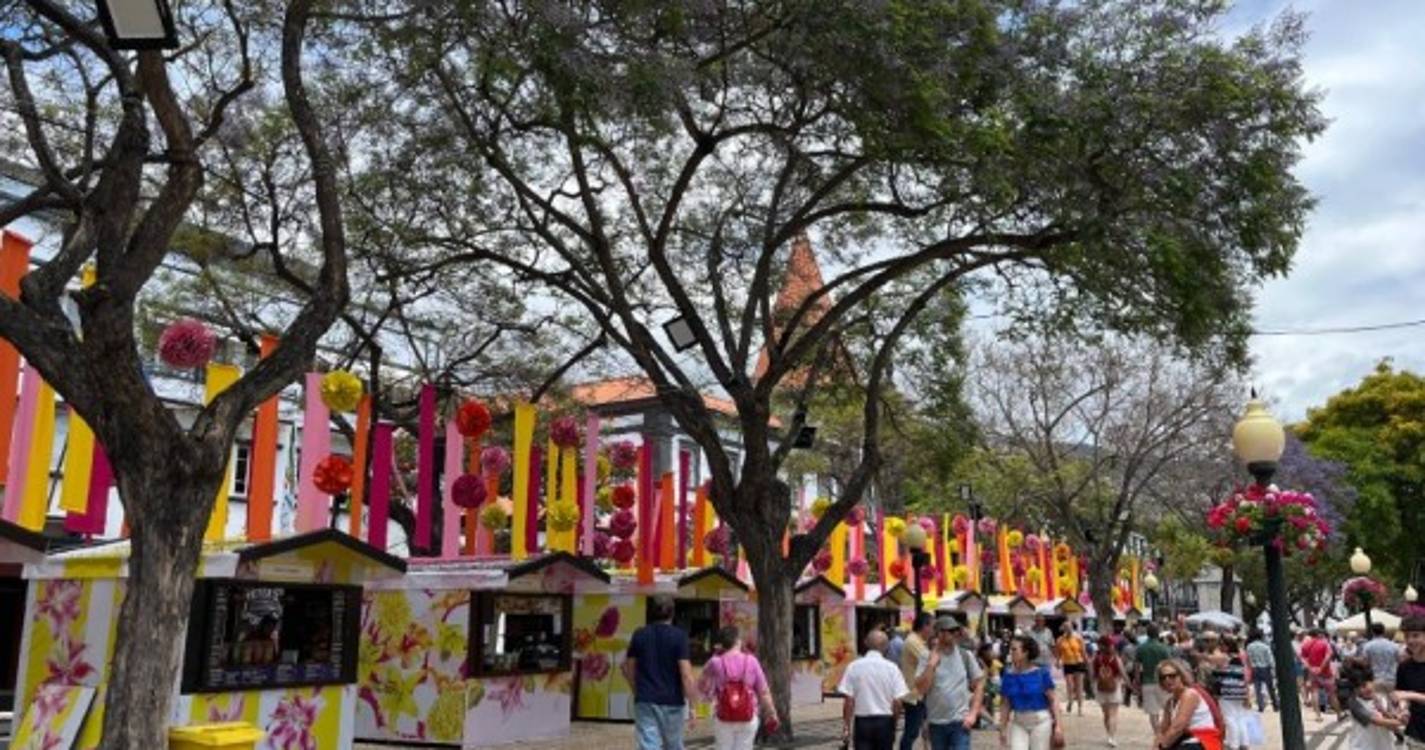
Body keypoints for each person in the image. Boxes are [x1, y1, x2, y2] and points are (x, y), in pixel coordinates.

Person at [624, 594, 699, 750]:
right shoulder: (680, 637)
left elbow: (628, 667)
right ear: (672, 612)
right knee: (673, 745)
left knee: (648, 745)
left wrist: (636, 689)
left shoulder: (639, 634)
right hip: (673, 700)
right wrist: (692, 707)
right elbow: (686, 674)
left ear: (652, 612)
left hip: (646, 699)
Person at [698, 626, 778, 750]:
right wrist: (771, 712)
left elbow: (701, 685)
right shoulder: (751, 661)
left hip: (723, 717)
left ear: (722, 643)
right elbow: (764, 691)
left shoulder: (715, 662)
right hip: (748, 716)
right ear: (737, 641)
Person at [914, 617, 985, 750]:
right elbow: (921, 689)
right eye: (950, 631)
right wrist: (931, 666)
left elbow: (979, 684)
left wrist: (973, 714)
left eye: (956, 630)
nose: (955, 634)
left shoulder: (966, 655)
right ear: (939, 633)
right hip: (936, 723)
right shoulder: (927, 656)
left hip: (960, 722)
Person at [840, 628, 912, 750]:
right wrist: (894, 722)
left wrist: (846, 726)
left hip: (862, 722)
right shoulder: (892, 668)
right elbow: (898, 702)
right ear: (886, 646)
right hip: (885, 721)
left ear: (866, 643)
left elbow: (849, 700)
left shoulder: (853, 667)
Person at [998, 634, 1063, 750]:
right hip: (1019, 722)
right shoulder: (1008, 676)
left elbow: (1053, 700)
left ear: (1025, 652)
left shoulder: (1041, 674)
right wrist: (1002, 728)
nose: (1010, 652)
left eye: (1014, 649)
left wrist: (1058, 726)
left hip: (1040, 722)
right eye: (1010, 649)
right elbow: (1005, 704)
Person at [1154, 658, 1223, 750]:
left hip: (1201, 741)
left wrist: (1161, 746)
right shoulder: (1170, 702)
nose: (1167, 679)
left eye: (1172, 676)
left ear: (1181, 676)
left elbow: (1177, 727)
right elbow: (1162, 730)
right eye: (1163, 677)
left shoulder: (1189, 695)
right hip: (1186, 741)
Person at [1212, 636, 1255, 750]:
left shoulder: (1224, 658)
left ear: (1227, 646)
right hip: (1238, 691)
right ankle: (1244, 743)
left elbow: (1207, 658)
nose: (1220, 646)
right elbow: (1243, 677)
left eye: (1221, 644)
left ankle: (1234, 745)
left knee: (1229, 718)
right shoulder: (1239, 657)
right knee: (1240, 717)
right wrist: (1246, 694)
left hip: (1227, 692)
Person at [900, 613, 936, 750]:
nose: (933, 631)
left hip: (920, 693)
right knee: (911, 732)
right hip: (914, 694)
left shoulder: (919, 641)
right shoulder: (913, 641)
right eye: (932, 627)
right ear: (925, 626)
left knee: (923, 729)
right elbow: (930, 660)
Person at [1393, 614, 1425, 747]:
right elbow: (1402, 694)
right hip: (1415, 733)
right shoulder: (1404, 666)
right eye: (1407, 636)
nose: (1410, 640)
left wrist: (1409, 695)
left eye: (1416, 635)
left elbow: (1406, 694)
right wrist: (1403, 709)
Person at [1137, 624, 1173, 734]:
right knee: (1168, 710)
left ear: (1147, 633)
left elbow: (1137, 667)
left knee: (1153, 713)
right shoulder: (1164, 648)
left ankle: (1157, 735)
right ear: (1158, 633)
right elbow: (1170, 665)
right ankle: (1166, 734)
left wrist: (1137, 680)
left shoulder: (1141, 648)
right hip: (1164, 682)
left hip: (1147, 682)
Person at [1093, 633, 1126, 747]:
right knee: (1113, 714)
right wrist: (1130, 685)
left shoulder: (1097, 658)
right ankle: (1111, 737)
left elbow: (1093, 675)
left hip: (1101, 688)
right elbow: (1123, 674)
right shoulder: (1116, 658)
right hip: (1114, 687)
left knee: (1106, 714)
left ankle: (1109, 735)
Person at [1301, 627, 1340, 721]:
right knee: (1332, 694)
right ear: (1318, 634)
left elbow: (1302, 658)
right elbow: (1328, 656)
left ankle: (1318, 715)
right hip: (1326, 672)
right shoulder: (1324, 643)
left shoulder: (1305, 645)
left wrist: (1311, 668)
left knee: (1314, 693)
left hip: (1313, 673)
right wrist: (1321, 668)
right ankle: (1339, 714)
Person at [1243, 629, 1277, 713]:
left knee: (1257, 688)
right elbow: (1270, 659)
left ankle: (1260, 706)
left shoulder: (1249, 647)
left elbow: (1248, 659)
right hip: (1265, 668)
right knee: (1270, 688)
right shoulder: (1265, 646)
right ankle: (1275, 705)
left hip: (1255, 668)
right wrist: (1273, 668)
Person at [1361, 623, 1401, 693]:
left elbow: (1365, 663)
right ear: (1384, 631)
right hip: (1392, 678)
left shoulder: (1368, 646)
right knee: (1392, 701)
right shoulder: (1394, 645)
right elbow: (1399, 660)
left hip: (1377, 678)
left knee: (1380, 702)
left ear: (1372, 632)